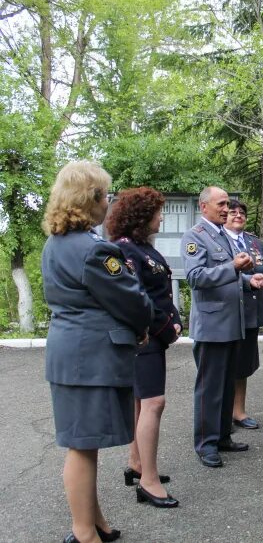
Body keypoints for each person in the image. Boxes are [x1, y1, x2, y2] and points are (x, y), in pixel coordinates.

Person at [42, 161, 153, 543]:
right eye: (106, 194)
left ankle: (96, 522)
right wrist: (142, 324)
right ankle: (83, 533)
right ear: (91, 199)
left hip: (70, 355)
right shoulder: (94, 250)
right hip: (88, 359)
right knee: (82, 446)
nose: (109, 202)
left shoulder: (55, 243)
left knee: (83, 443)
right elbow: (132, 302)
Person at [181, 186, 263, 468]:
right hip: (212, 324)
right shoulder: (195, 237)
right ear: (203, 206)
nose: (226, 208)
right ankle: (206, 444)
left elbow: (232, 274)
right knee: (209, 387)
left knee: (227, 384)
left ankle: (222, 437)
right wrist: (232, 268)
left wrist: (249, 280)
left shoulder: (223, 235)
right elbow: (195, 277)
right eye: (221, 204)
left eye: (227, 204)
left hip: (234, 323)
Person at [106, 187, 181, 509]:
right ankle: (149, 482)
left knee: (141, 403)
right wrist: (167, 328)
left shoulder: (140, 247)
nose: (162, 217)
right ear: (142, 215)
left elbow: (160, 290)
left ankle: (137, 464)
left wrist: (173, 319)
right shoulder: (124, 249)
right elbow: (137, 299)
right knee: (154, 403)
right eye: (158, 212)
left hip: (152, 336)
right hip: (143, 338)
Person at [224, 200, 263, 430]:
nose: (238, 216)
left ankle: (239, 412)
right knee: (225, 365)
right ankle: (222, 414)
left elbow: (262, 269)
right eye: (232, 212)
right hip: (229, 312)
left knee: (243, 364)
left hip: (252, 310)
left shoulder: (254, 242)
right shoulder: (219, 241)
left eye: (242, 213)